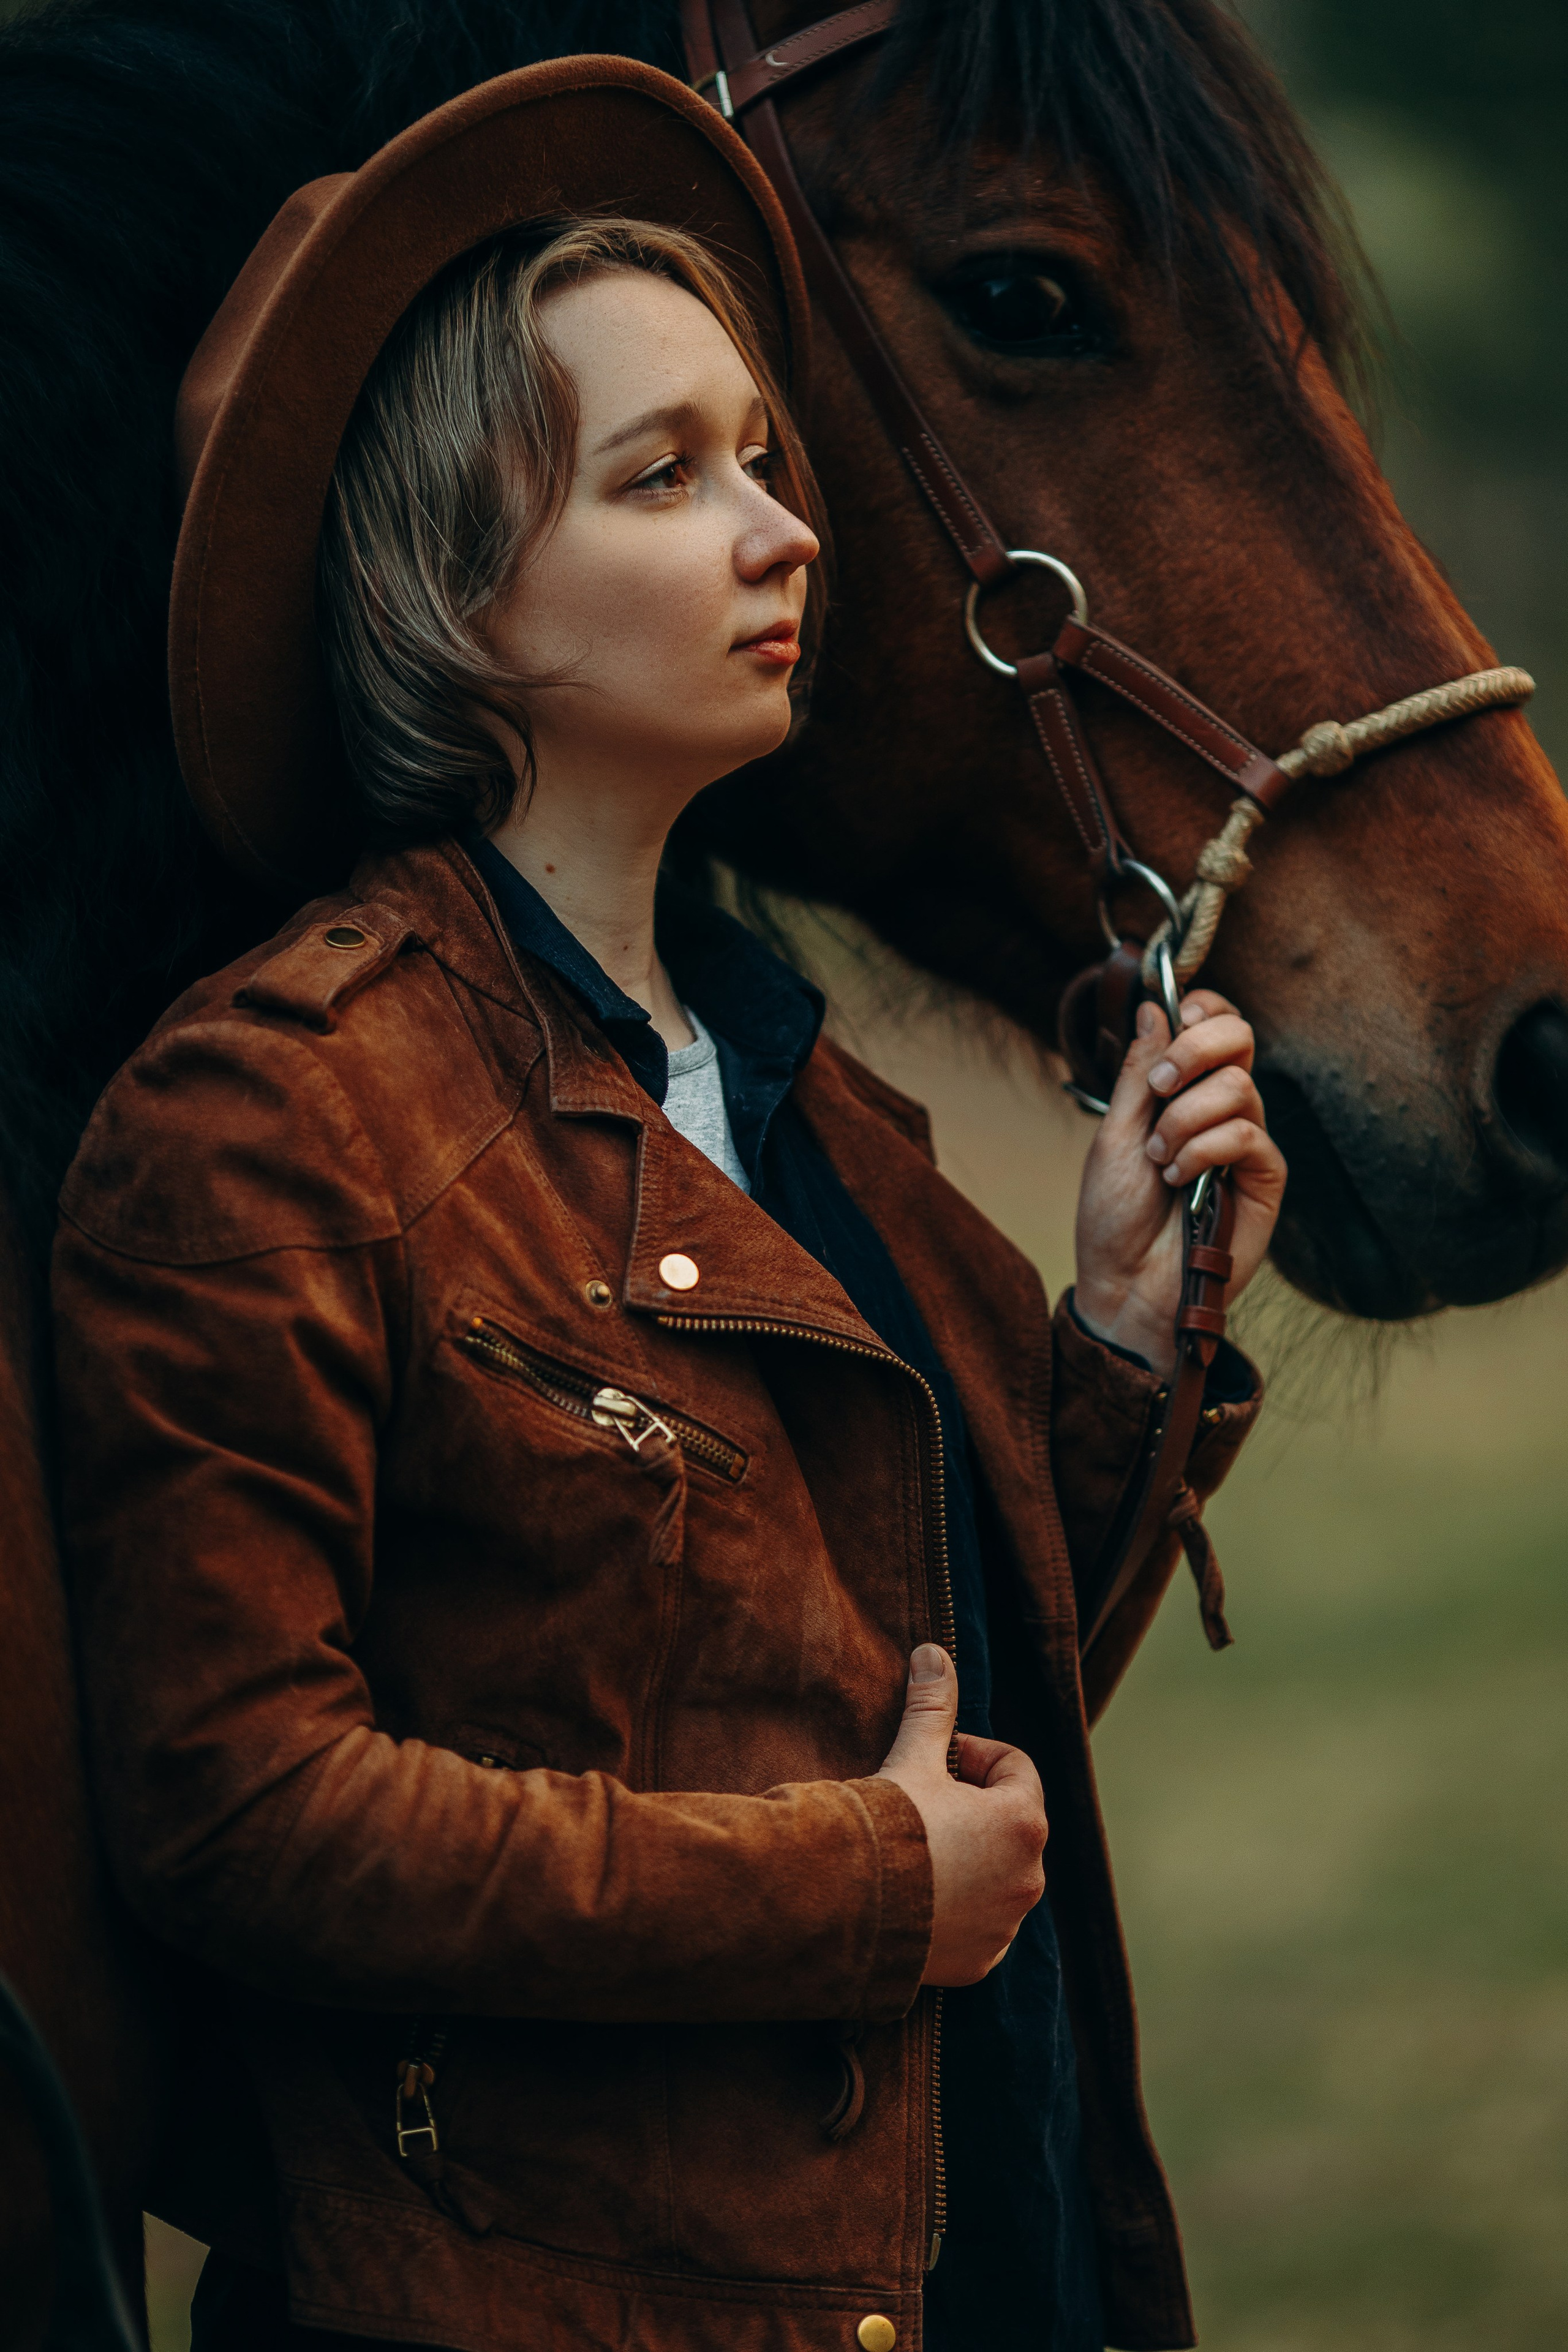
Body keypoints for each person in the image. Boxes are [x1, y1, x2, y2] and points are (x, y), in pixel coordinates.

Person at [51, 57, 1284, 2352]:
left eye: (763, 454)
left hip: (971, 2263)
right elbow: (241, 1817)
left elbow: (933, 1719)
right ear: (452, 596)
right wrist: (857, 1887)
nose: (787, 528)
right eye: (666, 474)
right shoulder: (272, 1122)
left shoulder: (822, 1107)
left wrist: (1114, 1338)